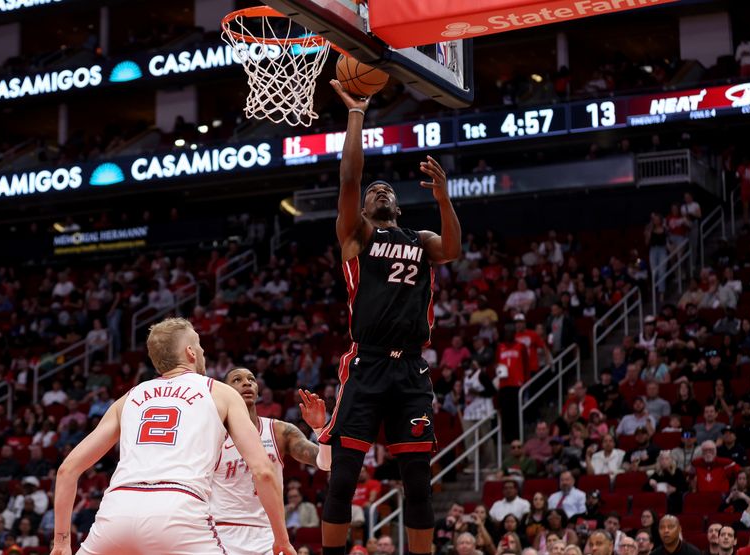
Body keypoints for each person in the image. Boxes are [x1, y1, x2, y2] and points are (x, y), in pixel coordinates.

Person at [321, 79, 462, 555]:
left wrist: (444, 198)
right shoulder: (356, 236)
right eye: (373, 191)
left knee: (417, 483)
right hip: (368, 364)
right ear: (362, 208)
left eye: (387, 190)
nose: (379, 191)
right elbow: (349, 180)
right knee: (343, 478)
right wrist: (357, 114)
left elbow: (455, 248)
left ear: (397, 205)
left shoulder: (420, 240)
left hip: (411, 370)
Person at [49, 318, 295, 555]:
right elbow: (263, 471)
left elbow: (67, 470)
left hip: (117, 510)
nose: (202, 351)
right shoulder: (221, 392)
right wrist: (281, 539)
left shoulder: (129, 397)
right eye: (199, 345)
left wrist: (61, 542)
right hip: (179, 509)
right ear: (190, 352)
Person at [210, 367, 331, 554]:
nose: (246, 383)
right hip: (223, 531)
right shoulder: (213, 434)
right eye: (237, 380)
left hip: (270, 533)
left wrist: (320, 430)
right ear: (225, 391)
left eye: (251, 379)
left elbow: (325, 463)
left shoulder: (279, 431)